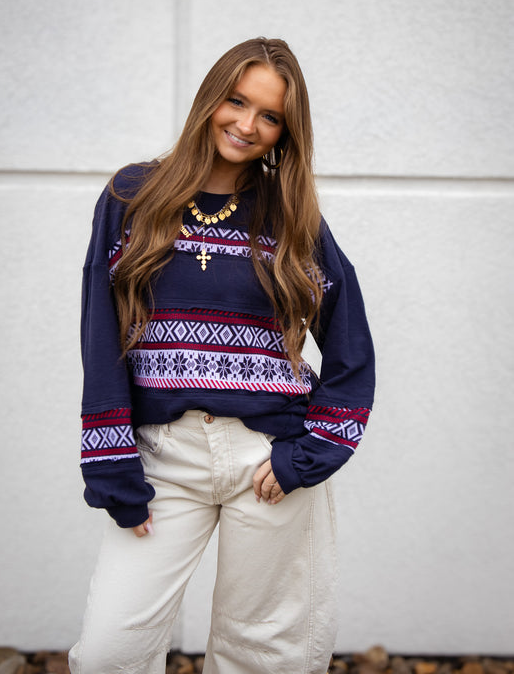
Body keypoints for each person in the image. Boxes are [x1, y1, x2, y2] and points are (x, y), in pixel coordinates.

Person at [69, 37, 375, 674]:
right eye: (237, 101)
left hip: (267, 460)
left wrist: (313, 451)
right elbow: (101, 334)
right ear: (211, 98)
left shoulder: (291, 214)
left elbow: (349, 341)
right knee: (108, 653)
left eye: (270, 116)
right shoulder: (133, 196)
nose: (247, 124)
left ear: (285, 132)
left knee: (262, 658)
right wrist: (110, 461)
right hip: (162, 459)